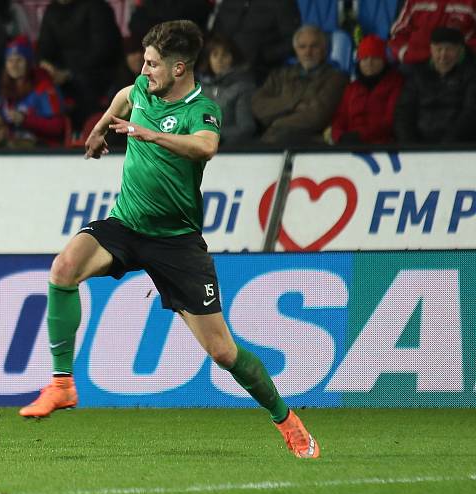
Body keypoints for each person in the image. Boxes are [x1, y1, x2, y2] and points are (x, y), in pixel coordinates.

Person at [19, 20, 321, 460]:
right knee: (63, 268)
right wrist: (101, 128)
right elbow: (124, 96)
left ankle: (287, 420)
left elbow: (206, 148)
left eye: (152, 63)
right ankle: (62, 384)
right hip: (127, 224)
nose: (144, 70)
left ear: (180, 68)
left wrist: (152, 135)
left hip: (176, 242)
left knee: (222, 352)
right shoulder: (142, 89)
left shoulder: (203, 107)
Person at [251, 25, 348, 145]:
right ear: (296, 50)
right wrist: (292, 104)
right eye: (302, 47)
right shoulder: (280, 75)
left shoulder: (336, 78)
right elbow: (257, 106)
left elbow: (317, 117)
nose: (308, 52)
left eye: (314, 46)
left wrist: (276, 122)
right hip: (273, 138)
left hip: (311, 144)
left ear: (324, 50)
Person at [36, 0, 123, 130]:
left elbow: (103, 49)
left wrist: (69, 73)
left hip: (95, 72)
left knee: (83, 85)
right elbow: (44, 47)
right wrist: (47, 65)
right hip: (61, 73)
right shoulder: (52, 11)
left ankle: (85, 134)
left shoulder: (97, 7)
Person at [394, 27, 476, 143]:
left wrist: (446, 145)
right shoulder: (418, 75)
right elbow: (404, 112)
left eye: (449, 49)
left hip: (458, 147)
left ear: (459, 50)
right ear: (431, 50)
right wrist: (410, 145)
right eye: (439, 49)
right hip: (418, 148)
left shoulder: (471, 74)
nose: (443, 55)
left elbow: (471, 113)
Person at [331, 35, 404, 145]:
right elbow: (340, 118)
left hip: (382, 147)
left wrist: (359, 136)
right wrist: (339, 136)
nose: (369, 63)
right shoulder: (352, 88)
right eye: (364, 58)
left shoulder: (396, 84)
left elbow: (389, 121)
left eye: (375, 58)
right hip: (350, 145)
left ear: (383, 60)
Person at [210, 0, 302, 84]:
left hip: (260, 75)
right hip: (221, 72)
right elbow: (216, 34)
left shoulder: (282, 3)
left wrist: (264, 55)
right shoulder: (229, 2)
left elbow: (293, 41)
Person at [0, 35, 66, 146]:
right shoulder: (5, 89)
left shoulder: (44, 89)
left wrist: (25, 120)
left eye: (19, 60)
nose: (14, 65)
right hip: (12, 149)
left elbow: (58, 126)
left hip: (42, 150)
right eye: (10, 60)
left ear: (28, 63)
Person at [199, 33, 256, 145]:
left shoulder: (243, 87)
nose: (219, 60)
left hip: (232, 152)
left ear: (234, 58)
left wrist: (216, 136)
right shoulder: (199, 90)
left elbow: (246, 128)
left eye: (224, 55)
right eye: (215, 55)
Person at [389, 0, 476, 64]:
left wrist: (463, 55)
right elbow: (398, 35)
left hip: (457, 65)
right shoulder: (414, 1)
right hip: (417, 62)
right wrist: (408, 55)